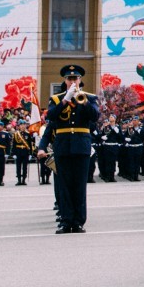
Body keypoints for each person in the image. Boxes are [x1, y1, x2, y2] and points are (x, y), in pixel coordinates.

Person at [36, 65, 98, 234]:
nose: (72, 81)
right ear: (65, 80)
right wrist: (65, 100)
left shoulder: (90, 98)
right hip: (63, 146)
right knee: (64, 186)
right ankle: (66, 220)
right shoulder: (56, 99)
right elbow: (51, 116)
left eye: (75, 78)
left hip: (81, 146)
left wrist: (82, 100)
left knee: (79, 185)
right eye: (69, 79)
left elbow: (95, 117)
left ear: (80, 80)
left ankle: (78, 222)